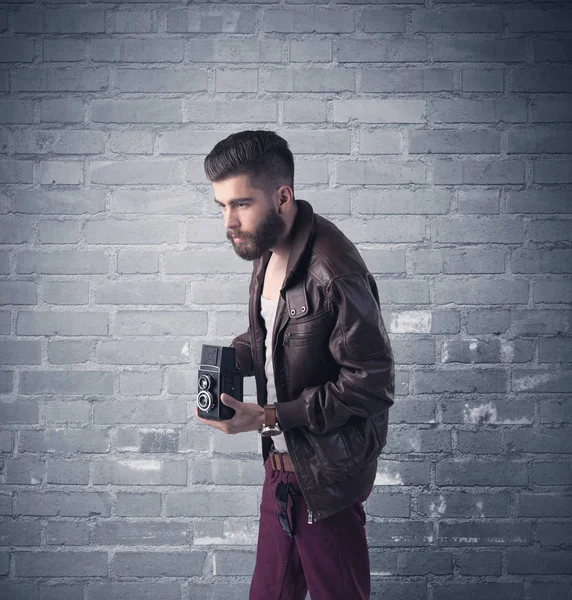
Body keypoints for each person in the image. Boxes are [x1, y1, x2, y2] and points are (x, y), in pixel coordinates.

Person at [195, 130, 395, 600]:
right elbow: (276, 336)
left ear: (282, 197)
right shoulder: (267, 251)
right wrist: (231, 360)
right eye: (222, 206)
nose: (229, 221)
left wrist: (266, 417)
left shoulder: (334, 268)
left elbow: (372, 384)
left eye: (241, 204)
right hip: (282, 469)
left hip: (326, 480)